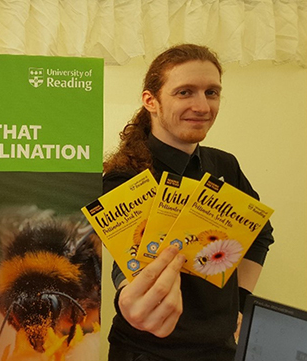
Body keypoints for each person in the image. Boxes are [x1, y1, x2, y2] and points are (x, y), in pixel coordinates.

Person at [103, 44, 275, 361]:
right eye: (185, 92)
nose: (202, 105)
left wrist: (240, 301)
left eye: (212, 92)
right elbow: (125, 264)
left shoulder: (225, 165)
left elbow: (260, 234)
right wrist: (128, 295)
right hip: (147, 352)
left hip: (221, 350)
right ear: (150, 101)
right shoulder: (125, 175)